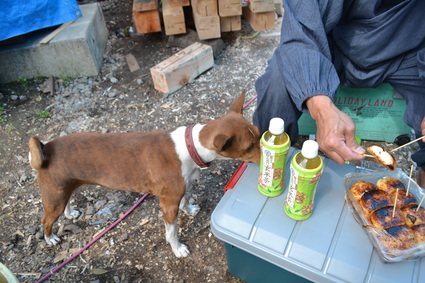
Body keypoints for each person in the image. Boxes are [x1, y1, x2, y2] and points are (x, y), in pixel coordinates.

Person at [253, 0, 425, 187]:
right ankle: (269, 163)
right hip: (332, 46)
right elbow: (301, 31)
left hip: (406, 52)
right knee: (277, 81)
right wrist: (321, 108)